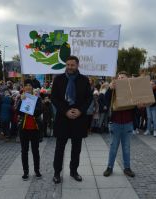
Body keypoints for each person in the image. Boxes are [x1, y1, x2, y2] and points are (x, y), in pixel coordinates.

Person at [51, 55, 92, 184]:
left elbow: (88, 99)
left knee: (76, 149)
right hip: (63, 118)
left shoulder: (84, 80)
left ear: (77, 65)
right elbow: (54, 98)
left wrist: (80, 110)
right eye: (68, 65)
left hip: (78, 119)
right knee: (59, 148)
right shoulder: (58, 79)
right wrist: (65, 111)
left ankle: (74, 171)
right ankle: (57, 173)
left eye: (72, 65)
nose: (69, 67)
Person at [103, 71, 135, 178]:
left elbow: (136, 106)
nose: (121, 79)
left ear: (128, 79)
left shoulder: (131, 90)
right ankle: (109, 167)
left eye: (123, 77)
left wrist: (140, 105)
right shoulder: (113, 89)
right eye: (119, 77)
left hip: (128, 122)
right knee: (113, 147)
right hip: (115, 123)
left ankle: (127, 168)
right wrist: (110, 89)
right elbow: (105, 101)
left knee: (126, 147)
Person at [17, 79, 43, 180]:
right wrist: (22, 101)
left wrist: (30, 108)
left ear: (32, 87)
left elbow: (40, 110)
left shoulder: (37, 98)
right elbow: (18, 111)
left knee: (35, 151)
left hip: (35, 128)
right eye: (26, 85)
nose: (28, 87)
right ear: (24, 87)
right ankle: (25, 172)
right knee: (24, 151)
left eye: (29, 85)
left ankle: (37, 171)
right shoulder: (21, 97)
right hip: (24, 129)